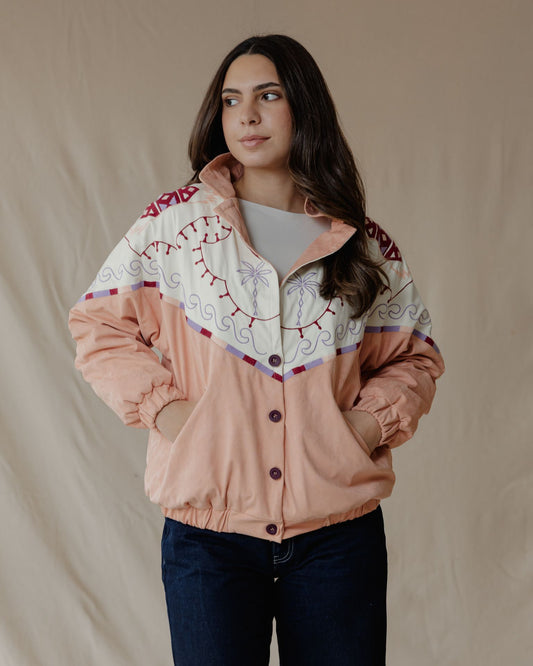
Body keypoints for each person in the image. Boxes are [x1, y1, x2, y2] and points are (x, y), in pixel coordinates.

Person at [69, 34, 444, 666]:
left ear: (304, 106)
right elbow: (99, 327)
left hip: (337, 538)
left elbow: (414, 358)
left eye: (268, 95)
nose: (246, 115)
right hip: (208, 541)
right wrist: (171, 414)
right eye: (231, 100)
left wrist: (361, 427)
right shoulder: (173, 228)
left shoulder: (363, 243)